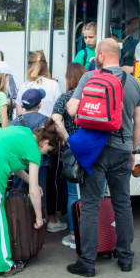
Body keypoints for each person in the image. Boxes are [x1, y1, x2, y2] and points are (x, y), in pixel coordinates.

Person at [66, 38, 140, 277]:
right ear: (118, 55)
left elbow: (71, 109)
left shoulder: (89, 78)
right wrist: (133, 151)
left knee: (90, 205)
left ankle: (87, 263)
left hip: (95, 149)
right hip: (122, 150)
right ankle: (125, 258)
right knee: (122, 204)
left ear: (100, 55)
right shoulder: (133, 83)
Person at [0, 121, 62, 276]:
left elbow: (13, 163)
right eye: (47, 150)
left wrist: (33, 183)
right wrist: (39, 218)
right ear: (44, 143)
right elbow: (34, 193)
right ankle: (3, 264)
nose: (44, 154)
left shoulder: (23, 131)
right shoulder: (34, 150)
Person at [10, 88, 65, 231]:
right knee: (38, 194)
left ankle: (20, 225)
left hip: (18, 165)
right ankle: (38, 226)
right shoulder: (44, 120)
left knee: (19, 194)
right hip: (39, 165)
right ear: (39, 104)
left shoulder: (16, 120)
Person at [51, 62, 87, 249]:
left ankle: (74, 235)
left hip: (72, 149)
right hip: (95, 148)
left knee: (73, 193)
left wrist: (66, 137)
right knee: (94, 192)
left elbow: (55, 118)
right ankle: (91, 232)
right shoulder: (91, 95)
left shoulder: (65, 97)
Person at [15, 50, 62, 117]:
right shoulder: (54, 85)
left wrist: (25, 126)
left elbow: (19, 115)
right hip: (47, 126)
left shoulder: (24, 86)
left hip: (27, 126)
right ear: (45, 65)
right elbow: (59, 111)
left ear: (29, 65)